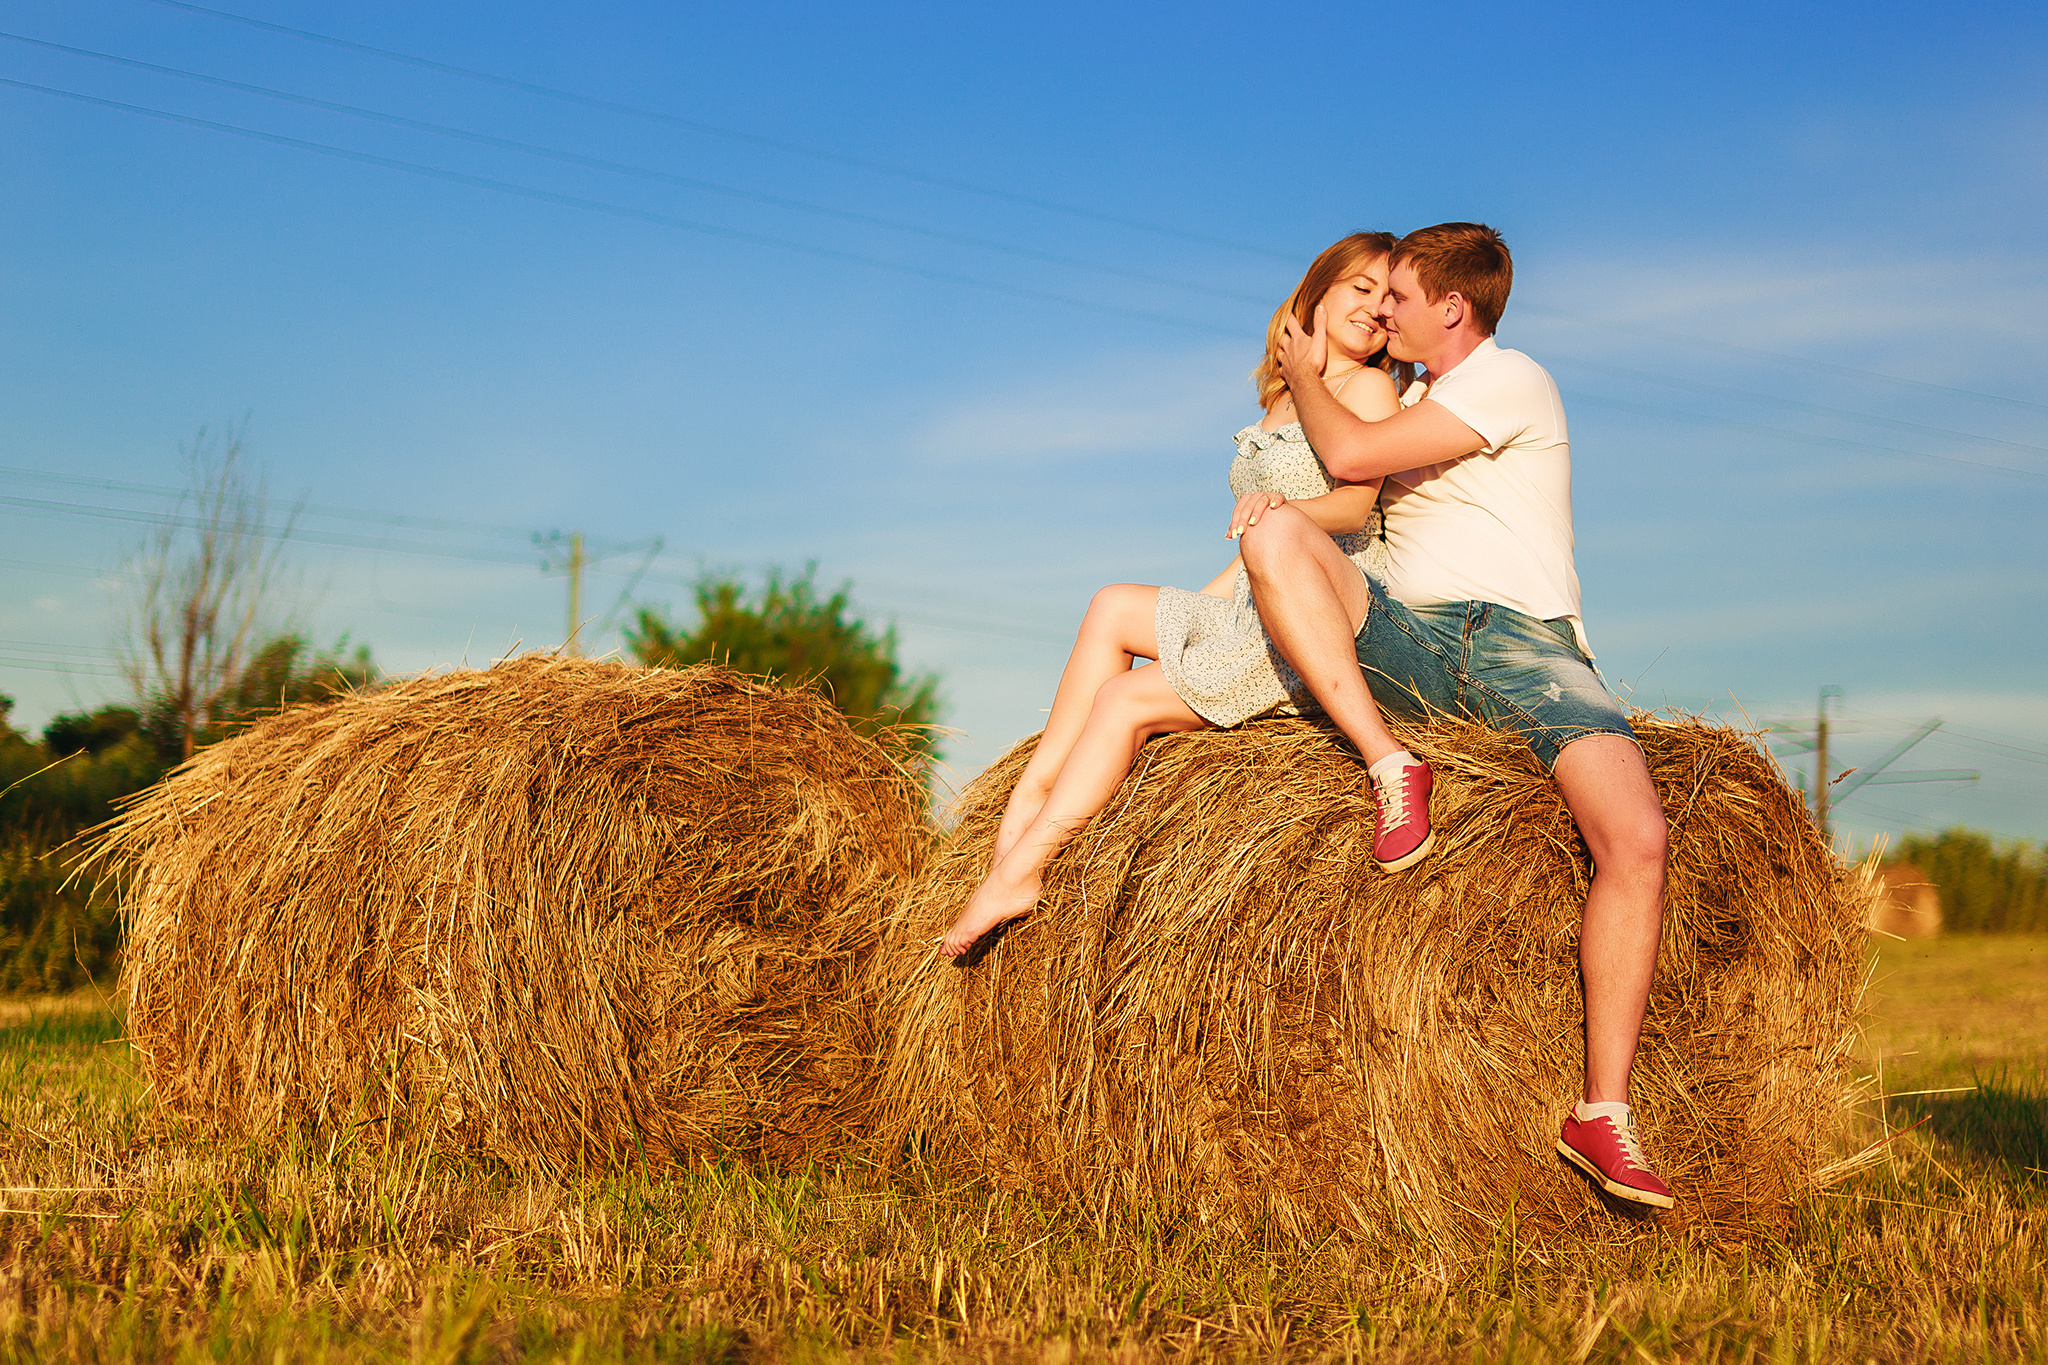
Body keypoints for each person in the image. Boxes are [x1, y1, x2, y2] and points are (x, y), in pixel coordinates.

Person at [1237, 222, 1676, 1209]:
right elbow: (1339, 490)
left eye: (1395, 296)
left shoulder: (1510, 378)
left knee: (1635, 838)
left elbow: (1346, 450)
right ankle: (1389, 762)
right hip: (1414, 642)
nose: (1380, 311)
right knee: (1273, 537)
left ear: (1450, 308)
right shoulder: (1406, 398)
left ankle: (1600, 1111)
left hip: (1526, 648)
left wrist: (1304, 368)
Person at [940, 232, 1436, 960]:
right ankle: (1027, 796)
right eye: (1359, 288)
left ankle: (1025, 867)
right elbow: (1249, 546)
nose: (1374, 308)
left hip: (1314, 610)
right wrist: (1193, 620)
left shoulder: (1366, 388)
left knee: (1124, 701)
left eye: (1386, 298)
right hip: (1254, 593)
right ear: (1319, 291)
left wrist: (1282, 510)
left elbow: (1355, 511)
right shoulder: (1279, 403)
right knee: (1113, 604)